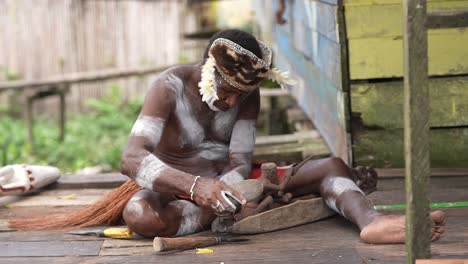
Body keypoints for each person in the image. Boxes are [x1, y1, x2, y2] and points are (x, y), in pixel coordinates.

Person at [10, 29, 445, 244]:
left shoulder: (246, 100)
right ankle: (232, 216)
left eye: (245, 94)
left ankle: (370, 222)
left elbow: (240, 160)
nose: (235, 103)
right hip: (175, 193)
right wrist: (197, 188)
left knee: (331, 165)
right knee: (139, 217)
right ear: (206, 74)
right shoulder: (170, 87)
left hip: (234, 187)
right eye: (229, 90)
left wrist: (240, 190)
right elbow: (131, 157)